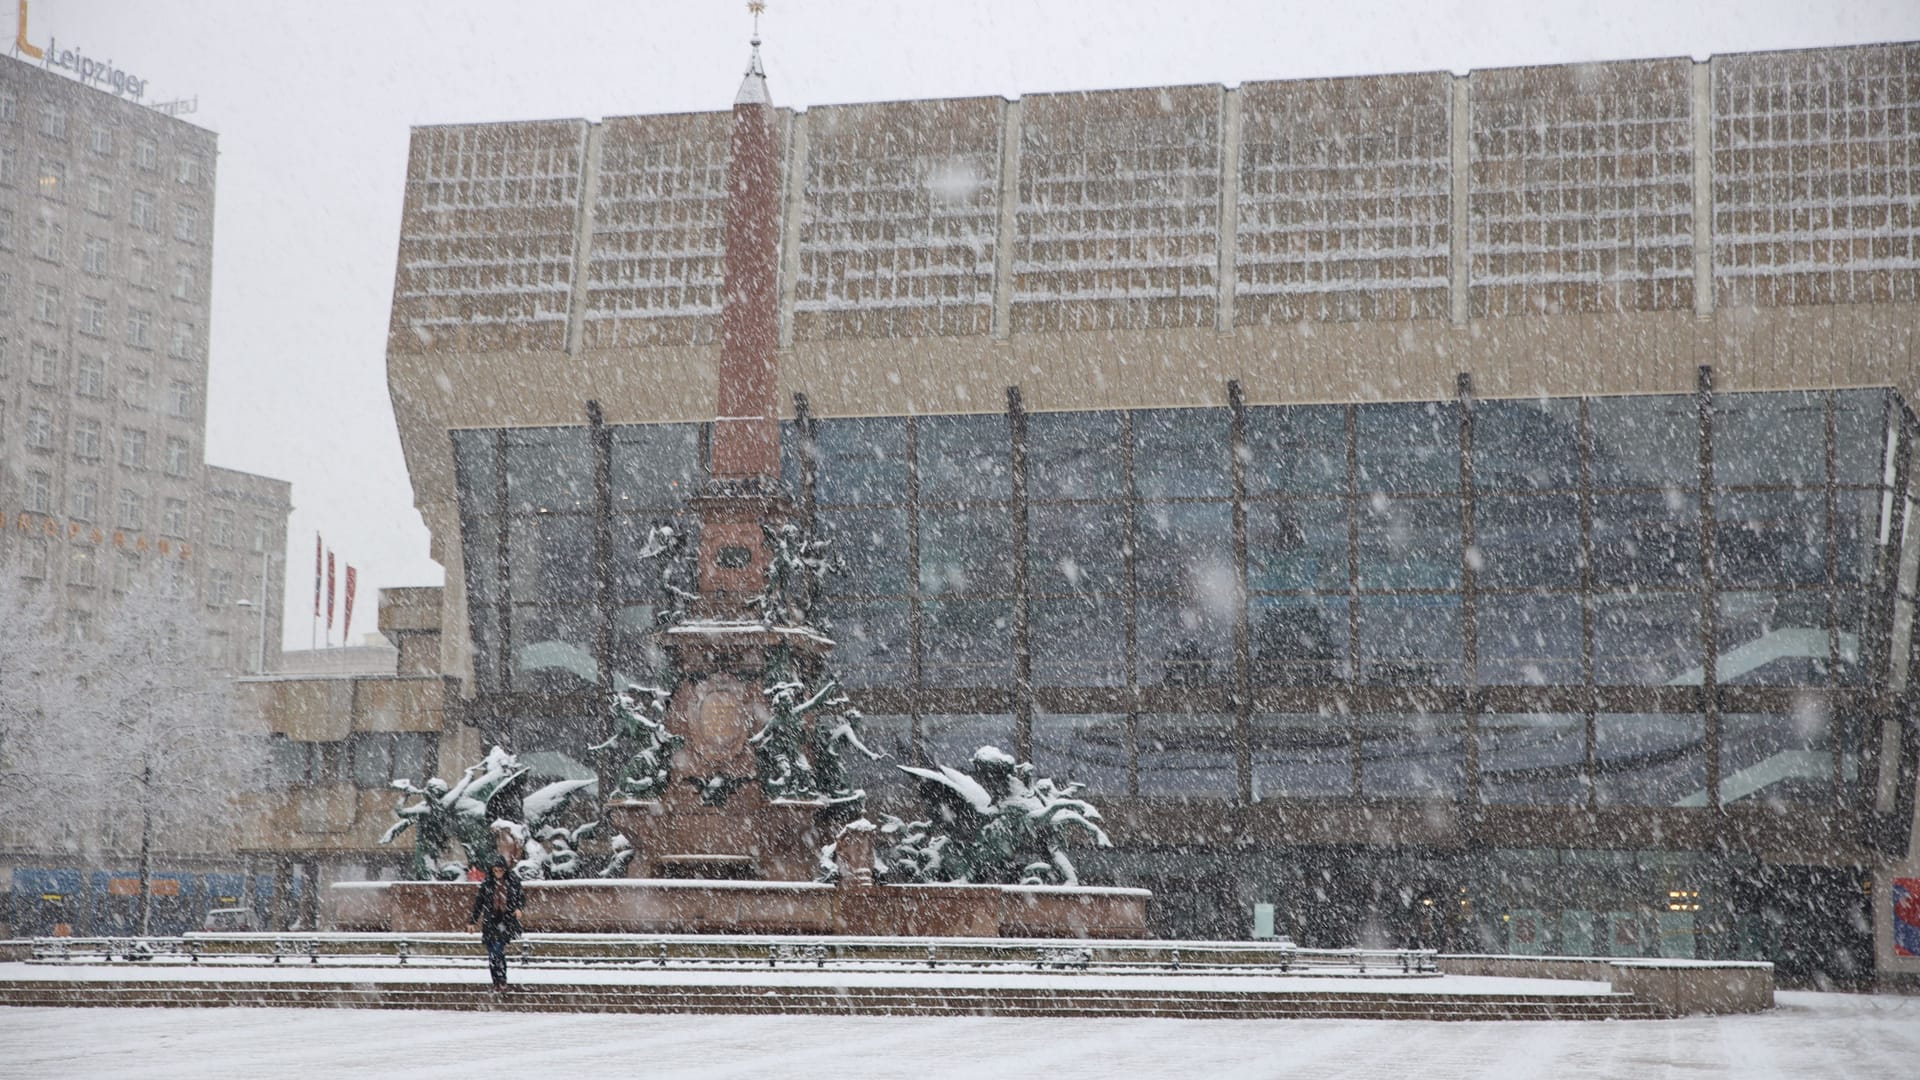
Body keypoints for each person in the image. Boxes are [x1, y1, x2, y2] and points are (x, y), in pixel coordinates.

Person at [467, 857, 525, 991]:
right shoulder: (487, 883)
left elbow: (521, 897)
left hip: (505, 921)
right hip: (490, 922)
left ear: (505, 870)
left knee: (497, 950)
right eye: (495, 870)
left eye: (500, 870)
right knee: (492, 953)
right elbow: (479, 904)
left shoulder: (512, 882)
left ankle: (501, 979)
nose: (498, 872)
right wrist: (472, 921)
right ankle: (496, 981)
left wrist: (518, 908)